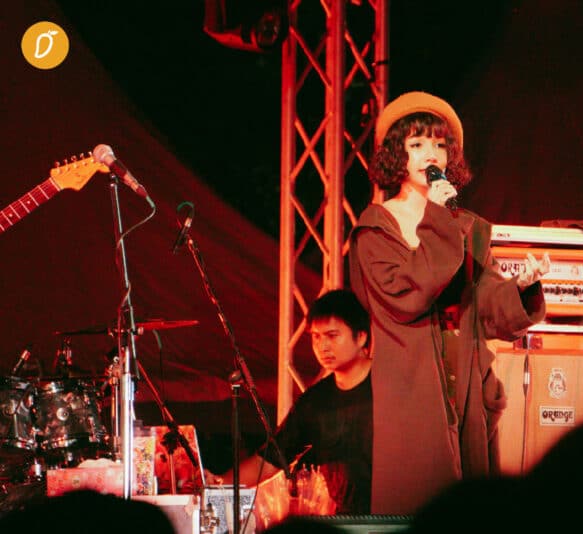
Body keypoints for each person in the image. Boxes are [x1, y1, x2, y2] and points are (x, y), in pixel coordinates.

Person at [347, 90, 549, 514]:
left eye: (439, 145)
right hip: (414, 394)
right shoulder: (375, 231)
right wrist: (439, 222)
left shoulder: (464, 227)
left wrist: (520, 287)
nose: (430, 154)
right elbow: (407, 296)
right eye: (417, 143)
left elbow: (486, 305)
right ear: (396, 154)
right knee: (421, 504)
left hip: (467, 391)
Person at [205, 289, 373, 515]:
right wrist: (218, 484)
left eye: (332, 336)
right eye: (316, 337)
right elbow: (270, 459)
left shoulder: (389, 386)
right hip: (349, 519)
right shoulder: (315, 401)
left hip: (401, 513)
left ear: (361, 336)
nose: (322, 346)